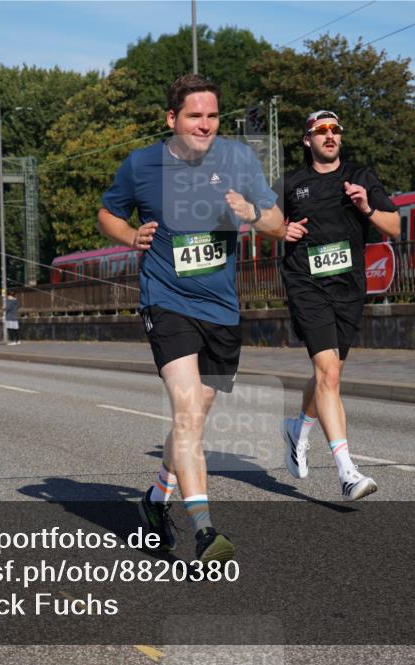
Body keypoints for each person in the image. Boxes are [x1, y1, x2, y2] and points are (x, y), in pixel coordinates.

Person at [98, 74, 284, 563]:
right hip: (167, 301)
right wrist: (128, 235)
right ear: (172, 119)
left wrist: (251, 212)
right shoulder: (142, 165)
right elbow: (107, 214)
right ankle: (205, 530)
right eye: (194, 116)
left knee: (194, 423)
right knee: (185, 414)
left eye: (213, 116)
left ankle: (156, 499)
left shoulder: (239, 159)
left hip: (222, 308)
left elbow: (278, 223)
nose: (205, 125)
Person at [277, 110, 400, 500]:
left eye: (335, 130)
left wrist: (366, 208)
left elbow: (395, 226)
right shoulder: (291, 183)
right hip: (305, 283)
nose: (329, 136)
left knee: (329, 376)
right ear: (307, 140)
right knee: (327, 372)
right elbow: (262, 222)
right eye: (321, 131)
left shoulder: (361, 176)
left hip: (349, 287)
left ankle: (299, 427)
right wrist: (281, 229)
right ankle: (347, 472)